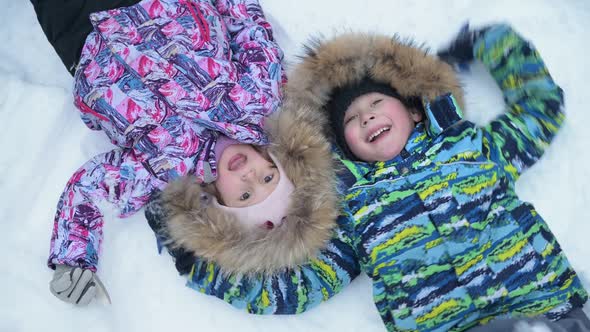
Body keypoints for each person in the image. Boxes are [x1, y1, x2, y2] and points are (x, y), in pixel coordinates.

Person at [147, 23, 589, 331]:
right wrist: (197, 262)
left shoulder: (474, 151)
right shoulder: (355, 211)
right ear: (343, 150)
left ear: (415, 110)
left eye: (376, 103)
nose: (367, 116)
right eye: (352, 121)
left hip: (541, 309)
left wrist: (493, 45)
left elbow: (540, 111)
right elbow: (300, 288)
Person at [32, 0, 338, 306]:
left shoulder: (164, 171)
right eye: (269, 177)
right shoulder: (260, 99)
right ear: (277, 160)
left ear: (220, 204)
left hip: (80, 31)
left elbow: (92, 186)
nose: (249, 176)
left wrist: (74, 257)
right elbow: (246, 25)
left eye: (245, 196)